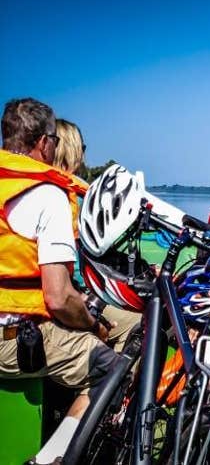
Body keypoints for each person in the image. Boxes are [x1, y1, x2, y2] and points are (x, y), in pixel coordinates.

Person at [0, 99, 120, 464]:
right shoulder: (47, 195)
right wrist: (94, 325)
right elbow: (58, 298)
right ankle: (48, 459)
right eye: (54, 139)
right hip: (11, 341)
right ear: (44, 143)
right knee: (113, 371)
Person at [52, 118, 141, 354]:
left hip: (50, 295)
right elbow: (81, 268)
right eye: (82, 147)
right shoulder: (73, 197)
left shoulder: (37, 190)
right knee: (140, 324)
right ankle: (115, 375)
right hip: (74, 294)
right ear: (71, 150)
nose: (83, 154)